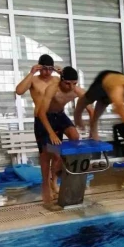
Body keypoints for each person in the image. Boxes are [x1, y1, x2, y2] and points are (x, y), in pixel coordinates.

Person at [34, 66, 87, 203]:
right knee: (47, 153)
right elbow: (41, 112)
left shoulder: (76, 90)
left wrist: (93, 129)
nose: (71, 87)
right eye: (67, 83)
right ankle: (46, 186)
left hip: (59, 116)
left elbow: (91, 108)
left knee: (75, 137)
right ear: (61, 81)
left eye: (74, 83)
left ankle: (56, 179)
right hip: (44, 118)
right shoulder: (52, 88)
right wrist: (51, 133)